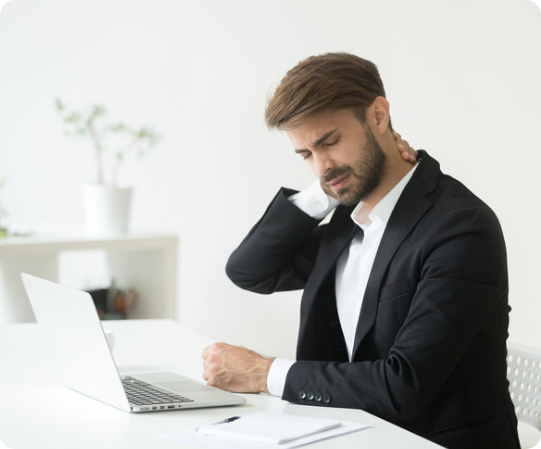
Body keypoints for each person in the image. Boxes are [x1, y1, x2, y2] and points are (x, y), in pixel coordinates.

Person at [202, 52, 520, 449]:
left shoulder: (460, 227)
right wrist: (327, 189)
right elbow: (250, 270)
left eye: (329, 142)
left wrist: (264, 373)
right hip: (345, 435)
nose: (321, 164)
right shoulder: (348, 218)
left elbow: (403, 385)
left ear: (378, 116)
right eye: (306, 154)